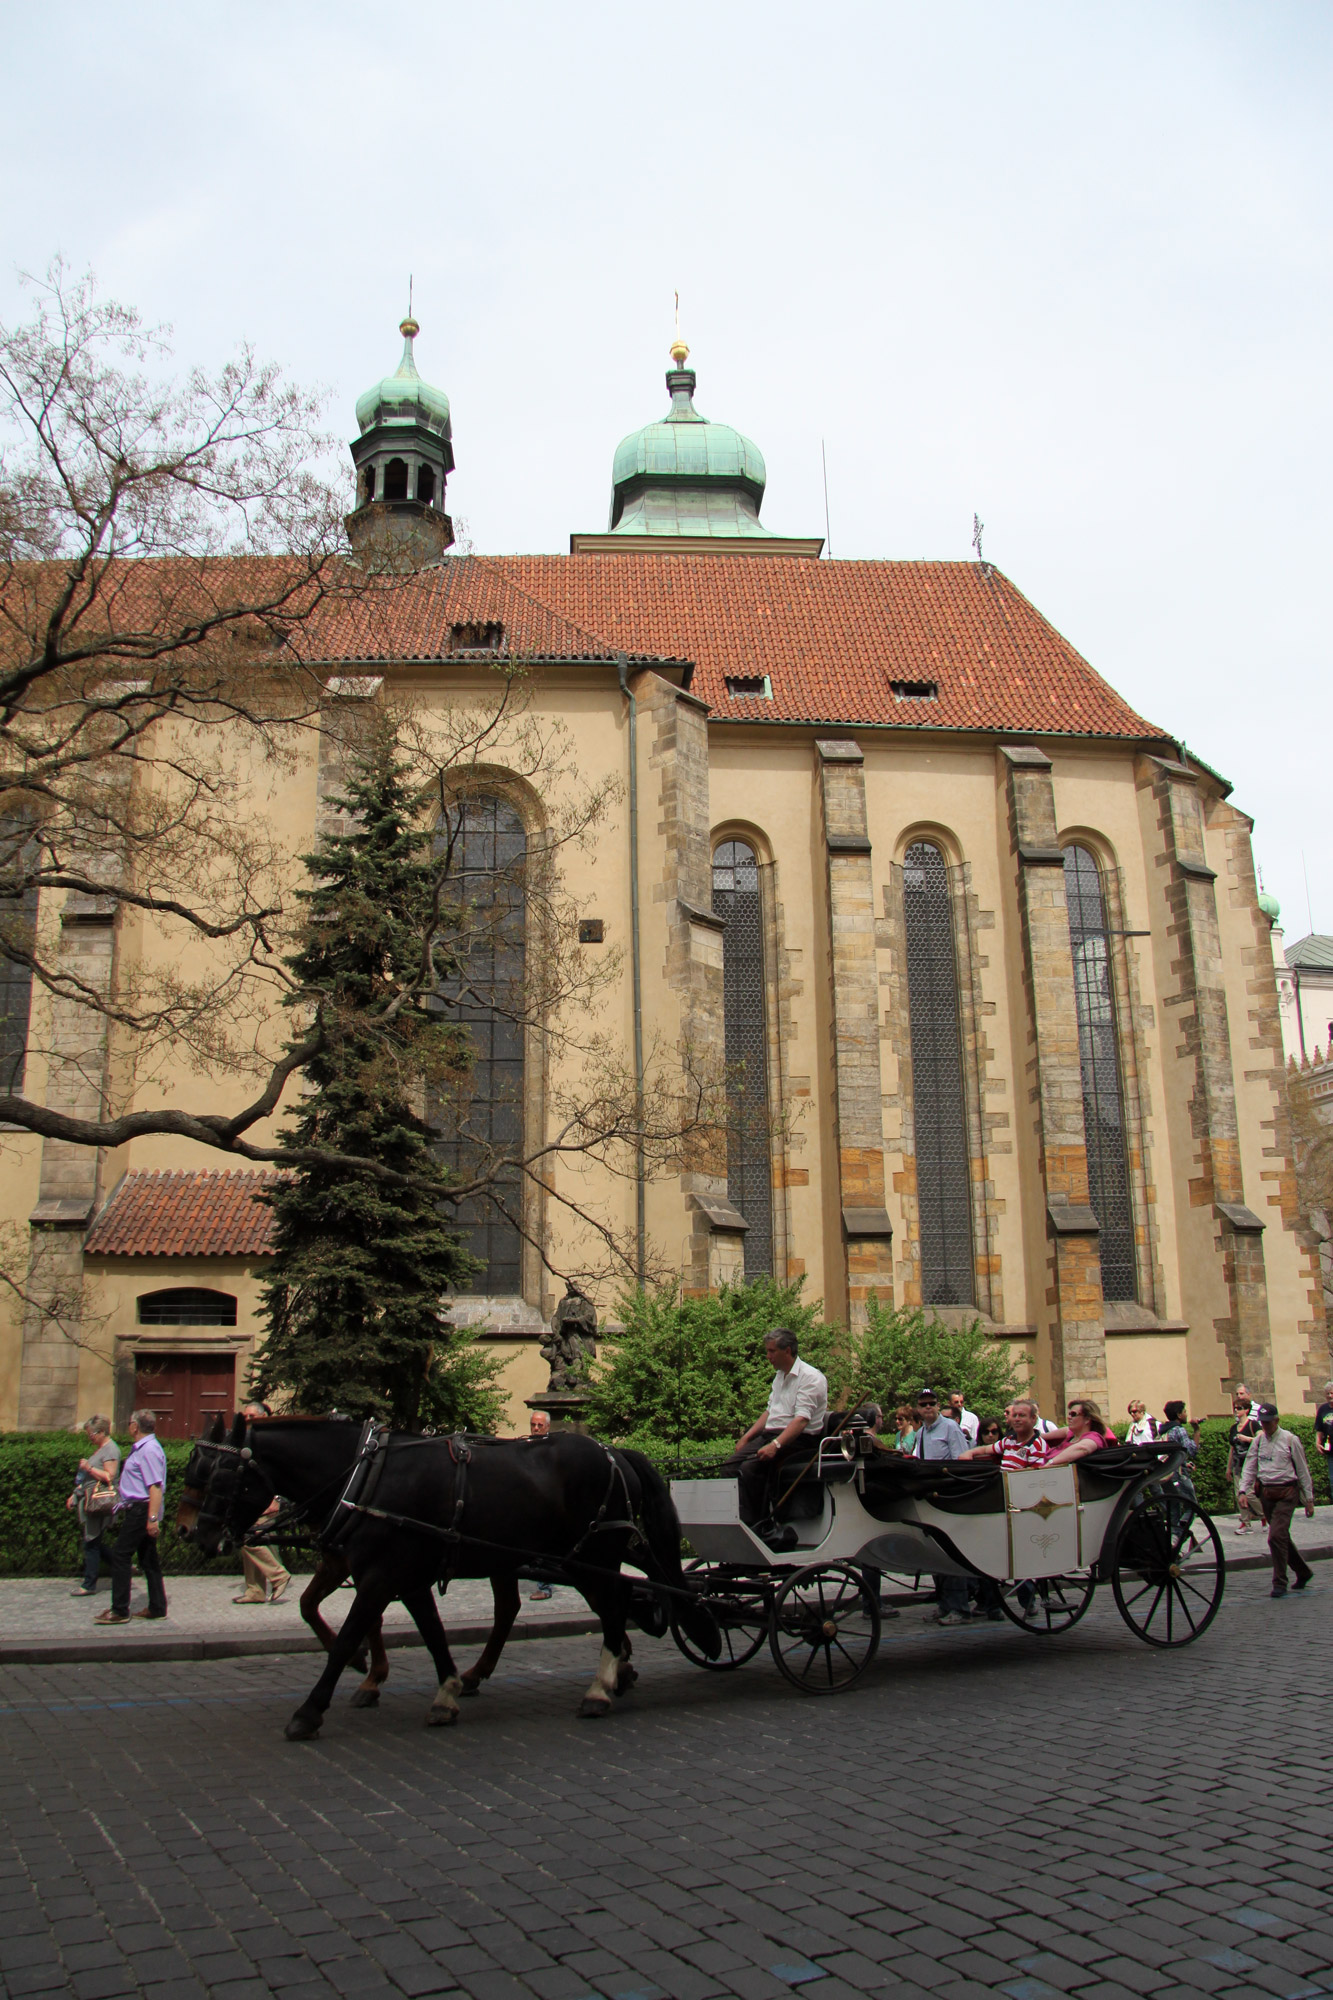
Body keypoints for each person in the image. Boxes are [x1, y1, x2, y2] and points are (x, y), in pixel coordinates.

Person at [723, 1328, 828, 1530]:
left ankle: (759, 1526)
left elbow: (801, 1421)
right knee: (729, 1467)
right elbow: (770, 1412)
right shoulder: (780, 1376)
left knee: (749, 1469)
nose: (767, 1356)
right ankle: (739, 1523)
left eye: (771, 1351)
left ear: (787, 1351)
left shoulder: (811, 1377)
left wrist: (776, 1445)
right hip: (772, 1435)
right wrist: (746, 1437)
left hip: (800, 1440)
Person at [94, 1409, 168, 1625]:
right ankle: (157, 1606)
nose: (128, 1426)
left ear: (135, 1426)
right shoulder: (144, 1448)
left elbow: (155, 1486)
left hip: (141, 1508)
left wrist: (152, 1519)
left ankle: (119, 1610)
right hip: (139, 1508)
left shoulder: (149, 1450)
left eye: (129, 1423)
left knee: (121, 1555)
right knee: (148, 1558)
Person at [1238, 1402, 1315, 1598]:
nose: (1265, 1426)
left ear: (1276, 1420)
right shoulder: (1258, 1440)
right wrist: (1243, 1491)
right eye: (1262, 1423)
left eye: (1268, 1423)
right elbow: (1249, 1466)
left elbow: (1302, 1470)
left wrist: (1309, 1499)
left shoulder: (1290, 1440)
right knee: (1281, 1538)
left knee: (1275, 1536)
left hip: (1287, 1493)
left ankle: (1279, 1581)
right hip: (1267, 1494)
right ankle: (1303, 1571)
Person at [912, 1389, 971, 1625]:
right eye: (923, 1404)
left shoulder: (950, 1428)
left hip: (947, 1495)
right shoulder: (920, 1434)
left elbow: (961, 1460)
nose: (928, 1407)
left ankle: (960, 1608)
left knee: (950, 1554)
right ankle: (944, 1605)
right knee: (935, 1554)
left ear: (938, 1405)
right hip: (930, 1495)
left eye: (931, 1403)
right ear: (917, 1407)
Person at [231, 1403, 291, 1606]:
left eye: (251, 1416)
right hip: (252, 1501)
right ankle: (255, 1590)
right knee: (250, 1538)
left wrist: (278, 1500)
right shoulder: (247, 1439)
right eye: (245, 1416)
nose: (247, 1419)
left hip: (267, 1503)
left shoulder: (272, 1440)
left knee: (248, 1537)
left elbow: (285, 1472)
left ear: (264, 1416)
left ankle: (278, 1575)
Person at [67, 1415, 120, 1597]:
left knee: (91, 1542)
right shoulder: (101, 1449)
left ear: (103, 1432)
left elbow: (109, 1476)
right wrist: (76, 1495)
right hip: (91, 1501)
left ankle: (89, 1584)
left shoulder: (110, 1450)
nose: (90, 1437)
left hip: (99, 1503)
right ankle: (122, 1566)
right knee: (95, 1542)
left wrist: (88, 1468)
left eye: (92, 1433)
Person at [963, 1397, 1051, 1470]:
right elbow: (986, 1449)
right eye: (1014, 1415)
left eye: (1022, 1415)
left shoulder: (1037, 1446)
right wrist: (969, 1453)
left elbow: (1032, 1478)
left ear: (1033, 1418)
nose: (1017, 1419)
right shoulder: (1008, 1441)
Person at [527, 1412, 556, 1596]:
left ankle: (545, 1587)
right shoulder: (526, 1446)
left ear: (547, 1427)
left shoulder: (552, 1448)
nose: (536, 1428)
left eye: (539, 1425)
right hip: (529, 1503)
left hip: (547, 1505)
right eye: (533, 1425)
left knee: (544, 1548)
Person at [1227, 1394, 1263, 1535]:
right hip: (1238, 1465)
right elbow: (1231, 1448)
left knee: (1250, 1494)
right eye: (1235, 1408)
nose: (1236, 1410)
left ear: (1247, 1410)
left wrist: (1247, 1439)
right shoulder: (1234, 1428)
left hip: (1251, 1465)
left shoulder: (1253, 1424)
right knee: (1239, 1495)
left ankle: (1263, 1514)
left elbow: (1261, 1441)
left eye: (1239, 1408)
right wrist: (1228, 1467)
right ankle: (1245, 1522)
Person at [1046, 1399, 1113, 1466]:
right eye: (1069, 1414)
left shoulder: (1094, 1437)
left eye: (1073, 1414)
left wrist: (1050, 1463)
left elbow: (1083, 1448)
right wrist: (1039, 1436)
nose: (1069, 1417)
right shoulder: (1072, 1434)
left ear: (1087, 1419)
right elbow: (1065, 1430)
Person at [1313, 1380, 1333, 1503]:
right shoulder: (1323, 1409)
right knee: (1332, 1480)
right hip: (1331, 1450)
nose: (1330, 1396)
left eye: (1332, 1393)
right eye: (1328, 1394)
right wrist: (1318, 1442)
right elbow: (1319, 1428)